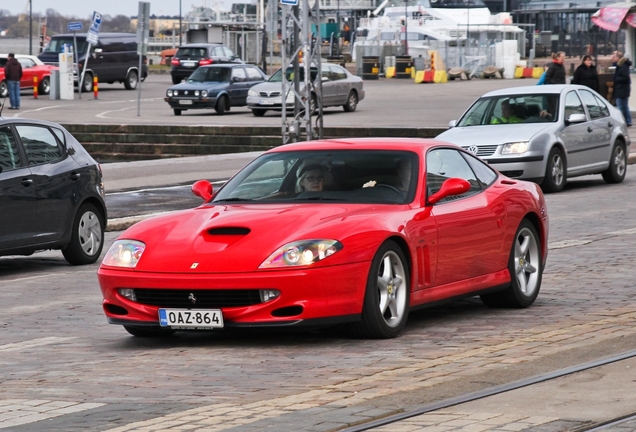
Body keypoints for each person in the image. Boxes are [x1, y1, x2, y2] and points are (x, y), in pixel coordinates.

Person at [612, 50, 632, 127]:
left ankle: (621, 122)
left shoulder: (622, 66)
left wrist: (616, 79)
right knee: (625, 106)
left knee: (620, 106)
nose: (613, 57)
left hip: (621, 89)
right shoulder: (622, 65)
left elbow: (625, 77)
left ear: (618, 57)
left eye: (614, 56)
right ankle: (628, 121)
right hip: (623, 89)